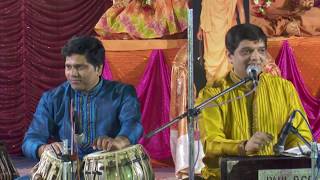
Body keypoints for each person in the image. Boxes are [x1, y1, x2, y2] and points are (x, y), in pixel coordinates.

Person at [196, 23, 313, 179]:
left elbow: (300, 135)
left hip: (274, 174)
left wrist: (288, 164)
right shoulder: (213, 94)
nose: (256, 57)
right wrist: (243, 147)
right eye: (246, 51)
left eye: (261, 51)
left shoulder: (284, 88)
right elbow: (211, 143)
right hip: (228, 175)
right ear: (230, 56)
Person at [22, 36, 143, 161]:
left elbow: (133, 125)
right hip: (68, 171)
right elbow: (30, 140)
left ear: (99, 69)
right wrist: (43, 149)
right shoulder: (52, 99)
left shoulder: (122, 93)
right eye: (68, 67)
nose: (72, 74)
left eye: (80, 67)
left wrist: (119, 142)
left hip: (110, 169)